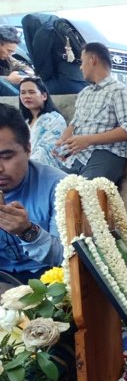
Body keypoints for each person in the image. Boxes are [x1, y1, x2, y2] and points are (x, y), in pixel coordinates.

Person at [53, 42, 127, 184]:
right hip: (78, 156)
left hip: (106, 154)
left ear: (93, 60)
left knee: (85, 195)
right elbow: (74, 124)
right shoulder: (84, 94)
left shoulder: (118, 91)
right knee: (55, 191)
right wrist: (62, 143)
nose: (80, 67)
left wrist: (88, 140)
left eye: (82, 62)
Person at [0, 103, 65, 281]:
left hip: (47, 278)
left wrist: (28, 231)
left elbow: (67, 256)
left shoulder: (60, 186)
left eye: (6, 157)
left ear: (28, 149)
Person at [22, 13, 88, 95]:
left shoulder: (43, 33)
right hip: (84, 81)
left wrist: (35, 76)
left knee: (26, 90)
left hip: (67, 83)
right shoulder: (63, 29)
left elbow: (44, 68)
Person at [18, 77, 67, 169]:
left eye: (31, 92)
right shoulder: (23, 122)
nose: (26, 96)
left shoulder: (54, 119)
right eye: (23, 92)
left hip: (44, 169)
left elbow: (46, 151)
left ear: (44, 96)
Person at [0, 26, 34, 98]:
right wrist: (8, 79)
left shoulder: (7, 57)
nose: (10, 54)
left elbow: (18, 64)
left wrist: (29, 71)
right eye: (8, 51)